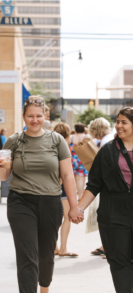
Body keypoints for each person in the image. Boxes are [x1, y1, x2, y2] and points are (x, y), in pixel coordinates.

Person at [78, 107, 133, 292]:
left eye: (124, 122)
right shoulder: (107, 151)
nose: (119, 126)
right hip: (113, 211)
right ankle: (125, 285)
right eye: (117, 121)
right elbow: (94, 184)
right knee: (118, 260)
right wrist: (79, 208)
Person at [0, 96, 83, 293]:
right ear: (23, 116)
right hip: (21, 202)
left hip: (50, 203)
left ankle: (44, 287)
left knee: (46, 255)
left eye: (38, 115)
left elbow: (67, 175)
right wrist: (3, 167)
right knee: (27, 255)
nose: (34, 120)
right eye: (30, 116)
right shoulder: (13, 141)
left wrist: (74, 206)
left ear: (45, 115)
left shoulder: (56, 141)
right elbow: (4, 177)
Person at [88, 117, 114, 258]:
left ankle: (109, 248)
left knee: (106, 218)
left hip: (107, 185)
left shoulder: (105, 142)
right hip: (108, 184)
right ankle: (106, 246)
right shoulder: (108, 139)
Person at [53, 122, 78, 257]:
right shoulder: (66, 148)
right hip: (63, 187)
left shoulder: (50, 146)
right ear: (68, 135)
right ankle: (63, 248)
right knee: (67, 218)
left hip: (50, 186)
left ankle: (55, 247)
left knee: (52, 219)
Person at [69, 123, 90, 201]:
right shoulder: (86, 137)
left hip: (72, 159)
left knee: (72, 178)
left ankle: (73, 196)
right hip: (82, 159)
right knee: (80, 178)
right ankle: (80, 196)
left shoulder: (71, 137)